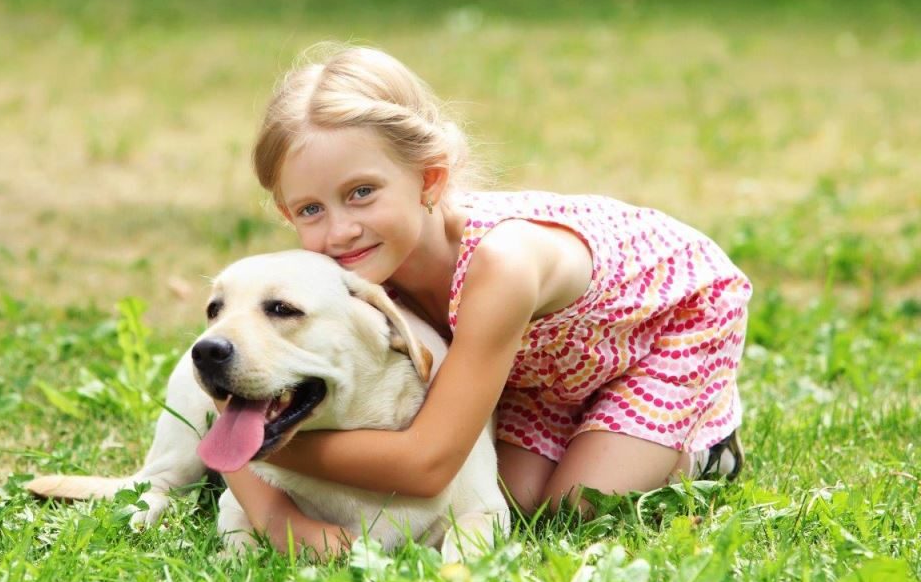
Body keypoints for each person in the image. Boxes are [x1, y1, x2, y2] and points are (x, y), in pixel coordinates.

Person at [215, 45, 751, 556]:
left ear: (429, 178)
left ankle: (705, 445)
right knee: (514, 498)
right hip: (541, 365)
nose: (340, 230)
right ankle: (586, 426)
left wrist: (254, 446)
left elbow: (427, 464)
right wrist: (271, 509)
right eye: (310, 209)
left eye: (362, 192)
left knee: (573, 507)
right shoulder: (352, 268)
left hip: (664, 324)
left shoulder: (503, 264)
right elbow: (237, 383)